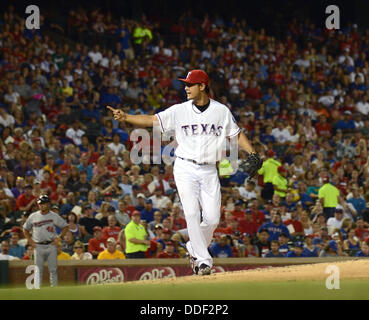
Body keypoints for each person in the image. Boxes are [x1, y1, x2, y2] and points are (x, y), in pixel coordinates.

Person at [108, 69, 260, 275]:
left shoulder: (221, 111)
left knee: (213, 219)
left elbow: (235, 134)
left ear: (202, 86)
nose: (186, 88)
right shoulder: (179, 110)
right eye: (186, 84)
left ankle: (193, 247)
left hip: (209, 169)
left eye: (190, 84)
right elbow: (153, 120)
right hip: (185, 166)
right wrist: (127, 117)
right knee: (191, 213)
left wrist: (252, 152)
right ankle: (203, 260)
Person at [23, 195, 68, 287]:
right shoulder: (33, 216)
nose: (41, 205)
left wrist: (59, 238)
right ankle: (37, 290)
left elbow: (65, 226)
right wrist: (30, 241)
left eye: (43, 203)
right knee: (38, 269)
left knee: (53, 269)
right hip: (38, 245)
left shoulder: (53, 215)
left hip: (51, 244)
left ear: (48, 204)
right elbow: (25, 229)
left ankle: (54, 290)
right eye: (40, 204)